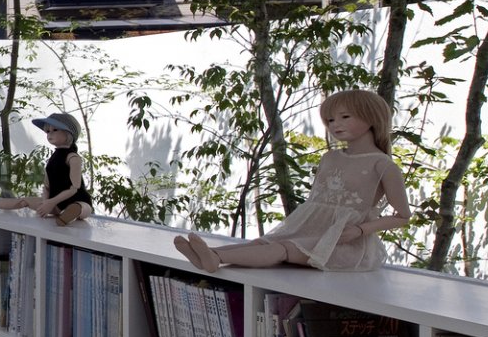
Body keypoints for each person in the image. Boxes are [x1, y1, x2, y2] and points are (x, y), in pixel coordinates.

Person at [175, 89, 410, 273]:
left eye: (344, 117)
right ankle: (208, 254)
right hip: (310, 228)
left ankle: (215, 257)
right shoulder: (330, 157)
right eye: (329, 120)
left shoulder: (382, 165)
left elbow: (403, 216)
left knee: (281, 249)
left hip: (342, 244)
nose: (335, 125)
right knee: (266, 242)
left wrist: (360, 230)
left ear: (371, 118)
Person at [0, 111, 92, 224]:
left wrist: (51, 202)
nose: (50, 134)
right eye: (48, 131)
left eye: (55, 130)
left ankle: (72, 212)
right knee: (23, 201)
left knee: (83, 207)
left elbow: (75, 188)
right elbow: (47, 186)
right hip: (56, 204)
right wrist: (45, 203)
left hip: (77, 199)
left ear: (69, 134)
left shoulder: (73, 158)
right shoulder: (52, 159)